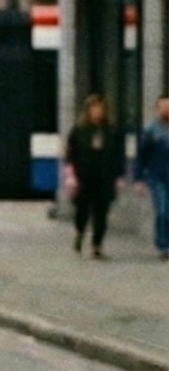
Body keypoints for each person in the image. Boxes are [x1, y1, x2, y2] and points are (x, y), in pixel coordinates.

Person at [66, 92, 120, 259]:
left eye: (101, 109)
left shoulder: (111, 130)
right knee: (82, 210)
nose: (98, 112)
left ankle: (97, 244)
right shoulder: (78, 130)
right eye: (94, 109)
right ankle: (80, 232)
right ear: (88, 111)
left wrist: (119, 176)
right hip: (84, 177)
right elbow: (70, 154)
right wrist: (71, 176)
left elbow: (118, 154)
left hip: (104, 177)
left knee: (101, 213)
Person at [136, 95, 169, 261]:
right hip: (157, 177)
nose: (166, 110)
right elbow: (142, 156)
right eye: (163, 106)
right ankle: (163, 245)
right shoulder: (151, 130)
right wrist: (139, 178)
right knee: (162, 210)